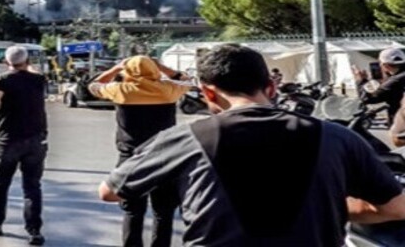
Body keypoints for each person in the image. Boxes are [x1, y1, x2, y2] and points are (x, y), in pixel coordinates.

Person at [99, 44, 405, 246]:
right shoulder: (337, 136)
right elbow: (396, 207)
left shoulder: (184, 138)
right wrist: (328, 207)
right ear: (271, 87)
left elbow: (110, 191)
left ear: (208, 93)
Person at [87, 56, 191, 247]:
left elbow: (94, 86)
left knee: (133, 211)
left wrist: (115, 68)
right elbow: (187, 80)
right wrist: (162, 68)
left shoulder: (121, 90)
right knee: (163, 212)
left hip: (131, 158)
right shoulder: (168, 90)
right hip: (165, 157)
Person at [0, 46, 48, 245]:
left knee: (1, 182)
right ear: (28, 61)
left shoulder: (1, 80)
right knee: (32, 186)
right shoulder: (39, 79)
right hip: (36, 139)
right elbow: (33, 71)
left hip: (9, 139)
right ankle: (34, 231)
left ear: (5, 62)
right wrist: (27, 64)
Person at [355, 48, 405, 119]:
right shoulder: (398, 78)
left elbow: (366, 98)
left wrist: (361, 80)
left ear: (385, 65)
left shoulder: (395, 81)